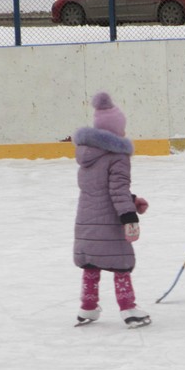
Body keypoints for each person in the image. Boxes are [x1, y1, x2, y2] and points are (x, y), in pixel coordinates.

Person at [72, 91, 151, 328]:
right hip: (110, 222)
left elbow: (101, 189)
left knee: (91, 266)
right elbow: (116, 190)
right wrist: (129, 216)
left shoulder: (87, 156)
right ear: (116, 131)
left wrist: (133, 199)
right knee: (120, 265)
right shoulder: (118, 156)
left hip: (86, 222)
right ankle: (128, 308)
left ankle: (87, 308)